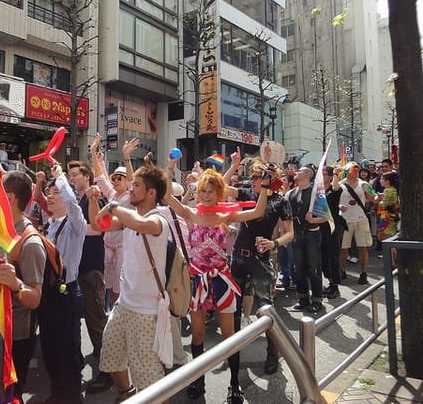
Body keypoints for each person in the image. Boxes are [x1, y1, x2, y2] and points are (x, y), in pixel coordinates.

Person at [165, 157, 269, 403]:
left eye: (211, 191)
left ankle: (234, 384)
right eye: (202, 190)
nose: (206, 194)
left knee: (228, 335)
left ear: (218, 193)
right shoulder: (190, 213)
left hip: (222, 280)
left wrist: (264, 187)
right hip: (198, 281)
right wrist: (170, 167)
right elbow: (168, 197)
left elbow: (258, 211)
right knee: (198, 335)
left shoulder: (226, 216)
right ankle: (198, 379)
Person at [88, 165, 171, 402]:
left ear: (152, 192)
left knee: (149, 379)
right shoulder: (129, 219)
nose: (131, 189)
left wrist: (113, 205)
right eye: (131, 185)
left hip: (146, 312)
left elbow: (140, 225)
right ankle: (125, 393)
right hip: (124, 305)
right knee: (111, 356)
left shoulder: (158, 219)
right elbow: (97, 224)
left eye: (136, 186)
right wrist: (95, 200)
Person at [223, 149, 294, 376]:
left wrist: (274, 244)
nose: (252, 180)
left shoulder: (280, 201)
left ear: (269, 180)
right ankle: (232, 351)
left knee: (266, 308)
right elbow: (221, 187)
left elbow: (290, 233)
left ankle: (272, 352)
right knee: (232, 306)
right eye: (252, 177)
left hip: (261, 259)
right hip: (238, 258)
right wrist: (233, 166)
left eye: (257, 177)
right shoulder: (246, 193)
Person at [0, 171, 46, 402]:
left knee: (10, 393)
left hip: (17, 334)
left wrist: (15, 283)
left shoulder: (30, 242)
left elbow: (35, 298)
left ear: (9, 198)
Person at [41, 163, 86, 404]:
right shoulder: (48, 225)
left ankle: (71, 396)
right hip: (47, 293)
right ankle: (57, 392)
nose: (50, 197)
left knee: (68, 349)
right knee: (49, 347)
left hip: (66, 292)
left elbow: (74, 204)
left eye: (55, 192)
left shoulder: (75, 223)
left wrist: (60, 177)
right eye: (49, 193)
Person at [66, 160, 111, 393]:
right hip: (79, 266)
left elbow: (99, 228)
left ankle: (108, 371)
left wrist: (74, 228)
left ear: (87, 176)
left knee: (96, 319)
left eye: (75, 174)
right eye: (70, 175)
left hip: (92, 267)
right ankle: (100, 355)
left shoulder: (96, 198)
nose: (72, 178)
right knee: (90, 318)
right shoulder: (78, 200)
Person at [90, 134, 132, 306]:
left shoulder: (131, 196)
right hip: (108, 247)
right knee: (108, 287)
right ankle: (112, 318)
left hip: (123, 249)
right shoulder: (112, 194)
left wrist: (127, 158)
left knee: (120, 289)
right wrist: (93, 152)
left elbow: (131, 180)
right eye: (114, 178)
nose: (115, 181)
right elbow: (100, 178)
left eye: (119, 178)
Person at [286, 166, 328, 314]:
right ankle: (303, 298)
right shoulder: (290, 193)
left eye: (300, 171)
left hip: (312, 234)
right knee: (299, 269)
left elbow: (326, 217)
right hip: (297, 235)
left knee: (314, 268)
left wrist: (313, 220)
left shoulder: (316, 193)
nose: (296, 173)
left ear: (307, 175)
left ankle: (317, 300)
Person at [339, 162, 378, 285]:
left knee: (363, 248)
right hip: (345, 220)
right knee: (343, 248)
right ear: (346, 170)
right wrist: (339, 206)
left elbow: (373, 196)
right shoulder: (340, 185)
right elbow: (333, 200)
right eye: (352, 170)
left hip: (361, 219)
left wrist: (378, 198)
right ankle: (342, 271)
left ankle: (364, 273)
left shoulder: (364, 184)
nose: (355, 172)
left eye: (357, 170)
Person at [320, 166, 343, 300]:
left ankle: (335, 285)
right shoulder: (318, 190)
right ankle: (329, 281)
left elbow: (335, 188)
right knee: (323, 257)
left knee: (333, 257)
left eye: (324, 174)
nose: (322, 176)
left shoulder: (334, 189)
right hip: (320, 226)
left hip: (333, 227)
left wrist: (335, 174)